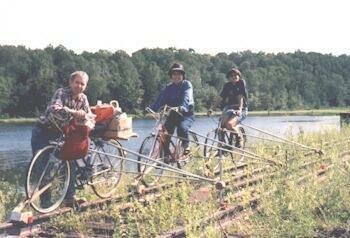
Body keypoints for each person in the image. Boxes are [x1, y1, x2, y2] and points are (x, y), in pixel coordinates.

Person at [31, 71, 94, 207]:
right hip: (43, 132)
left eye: (82, 84)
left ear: (85, 86)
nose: (79, 86)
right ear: (70, 82)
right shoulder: (61, 93)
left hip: (61, 134)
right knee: (43, 169)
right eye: (77, 82)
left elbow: (89, 115)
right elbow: (55, 109)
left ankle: (69, 198)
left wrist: (87, 119)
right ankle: (46, 204)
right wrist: (74, 112)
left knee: (69, 161)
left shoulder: (83, 98)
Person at [148, 63, 195, 163]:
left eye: (179, 74)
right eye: (174, 74)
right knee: (164, 134)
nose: (176, 76)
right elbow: (161, 99)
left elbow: (187, 97)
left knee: (182, 129)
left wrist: (182, 107)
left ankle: (186, 146)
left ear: (183, 75)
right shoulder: (168, 87)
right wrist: (153, 108)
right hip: (172, 115)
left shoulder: (187, 85)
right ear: (171, 76)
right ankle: (166, 155)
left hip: (185, 115)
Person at [208, 68, 248, 148]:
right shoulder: (227, 86)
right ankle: (222, 144)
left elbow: (240, 98)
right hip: (229, 108)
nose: (234, 77)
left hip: (241, 109)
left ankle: (239, 139)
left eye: (236, 75)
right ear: (229, 78)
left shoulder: (241, 83)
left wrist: (240, 110)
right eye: (232, 75)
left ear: (239, 76)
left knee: (229, 124)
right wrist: (212, 109)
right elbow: (220, 98)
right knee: (221, 126)